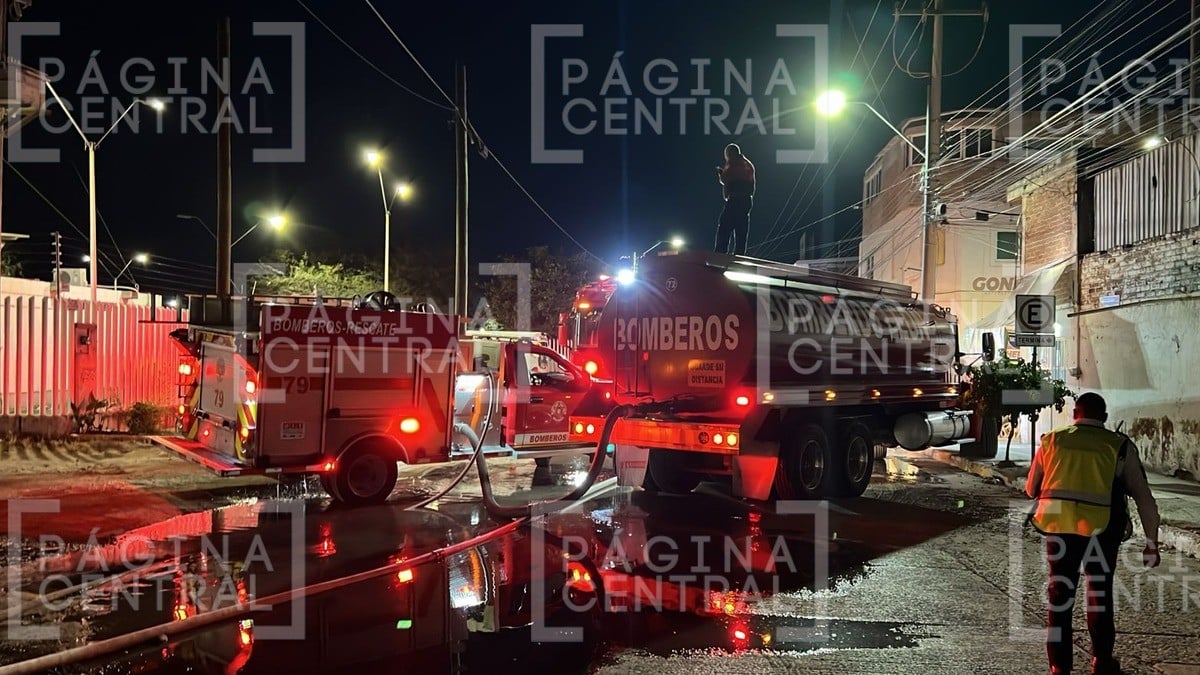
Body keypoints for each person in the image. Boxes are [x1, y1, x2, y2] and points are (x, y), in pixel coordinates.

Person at [1025, 392, 1160, 675]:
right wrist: (1151, 544)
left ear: (1075, 413)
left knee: (1060, 596)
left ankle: (1059, 667)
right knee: (1099, 592)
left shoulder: (1052, 440)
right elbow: (1144, 498)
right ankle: (1101, 661)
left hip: (1059, 529)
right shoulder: (1118, 445)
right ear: (1105, 417)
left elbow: (1030, 489)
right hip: (1102, 530)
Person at [714, 143, 755, 255]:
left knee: (724, 227)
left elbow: (725, 179)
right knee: (741, 230)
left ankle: (720, 255)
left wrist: (720, 173)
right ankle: (739, 256)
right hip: (747, 200)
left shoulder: (733, 163)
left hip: (735, 200)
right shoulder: (748, 164)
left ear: (729, 154)